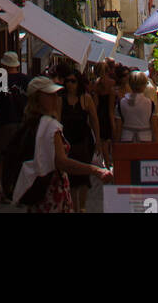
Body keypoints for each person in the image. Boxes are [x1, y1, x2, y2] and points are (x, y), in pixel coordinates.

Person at [12, 76, 112, 213]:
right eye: (49, 95)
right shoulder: (50, 125)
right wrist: (96, 170)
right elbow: (61, 162)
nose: (55, 98)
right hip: (52, 190)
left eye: (55, 94)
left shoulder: (31, 121)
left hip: (39, 189)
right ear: (37, 98)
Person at [0, 50, 28, 202]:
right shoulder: (26, 80)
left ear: (3, 65)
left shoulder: (0, 81)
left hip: (5, 124)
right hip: (24, 124)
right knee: (20, 157)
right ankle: (20, 189)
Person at [60, 69, 102, 213]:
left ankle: (82, 207)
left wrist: (98, 140)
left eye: (73, 81)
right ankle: (74, 207)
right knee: (70, 175)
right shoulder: (61, 99)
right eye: (67, 81)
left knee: (84, 175)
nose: (70, 84)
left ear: (79, 83)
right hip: (67, 142)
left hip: (84, 141)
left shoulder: (86, 98)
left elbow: (94, 120)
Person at [117, 71, 158, 144]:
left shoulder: (121, 103)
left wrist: (116, 145)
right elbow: (154, 128)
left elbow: (118, 127)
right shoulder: (150, 104)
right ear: (144, 85)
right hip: (146, 139)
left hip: (126, 139)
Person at [93, 61, 116, 164]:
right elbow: (111, 108)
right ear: (108, 71)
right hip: (109, 115)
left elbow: (96, 104)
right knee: (109, 141)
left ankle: (106, 163)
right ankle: (110, 163)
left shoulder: (96, 84)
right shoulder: (112, 83)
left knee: (103, 142)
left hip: (99, 115)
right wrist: (113, 124)